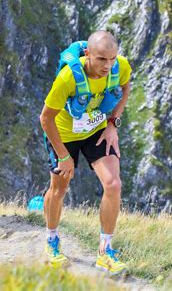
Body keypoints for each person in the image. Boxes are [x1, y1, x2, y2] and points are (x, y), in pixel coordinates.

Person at [40, 30, 131, 275]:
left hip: (96, 130)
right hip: (64, 134)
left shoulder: (119, 67)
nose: (108, 65)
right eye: (102, 59)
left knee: (113, 184)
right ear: (88, 54)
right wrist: (63, 155)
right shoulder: (69, 77)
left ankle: (106, 252)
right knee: (59, 188)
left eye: (112, 58)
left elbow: (125, 87)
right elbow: (46, 118)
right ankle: (52, 241)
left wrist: (113, 123)